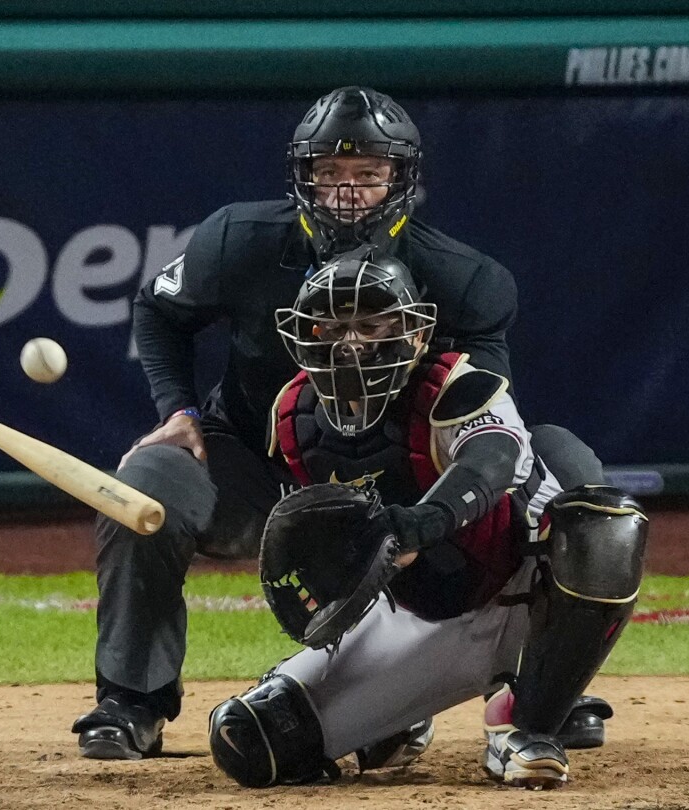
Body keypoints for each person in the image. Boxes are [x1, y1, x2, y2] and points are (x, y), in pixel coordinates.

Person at [72, 85, 608, 761]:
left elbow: (493, 427)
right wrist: (176, 411)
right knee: (145, 481)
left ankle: (548, 687)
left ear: (401, 180)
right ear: (303, 178)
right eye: (329, 173)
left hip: (400, 481)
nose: (347, 192)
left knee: (569, 475)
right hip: (262, 465)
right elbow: (159, 309)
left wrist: (426, 516)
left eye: (367, 174)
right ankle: (131, 703)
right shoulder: (238, 240)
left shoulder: (466, 281)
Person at [207, 250, 646, 790]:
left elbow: (491, 462)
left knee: (606, 528)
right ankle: (401, 719)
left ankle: (528, 723)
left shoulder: (460, 384)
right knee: (249, 739)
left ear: (415, 335)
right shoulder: (293, 414)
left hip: (517, 590)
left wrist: (420, 523)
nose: (351, 344)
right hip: (421, 613)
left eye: (371, 324)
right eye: (333, 327)